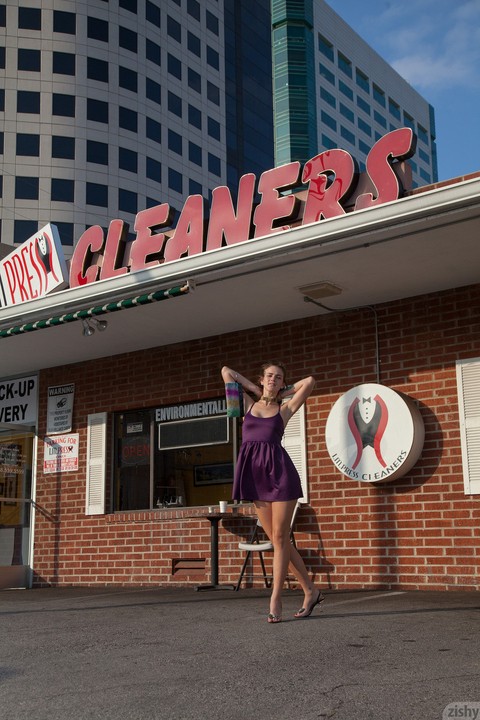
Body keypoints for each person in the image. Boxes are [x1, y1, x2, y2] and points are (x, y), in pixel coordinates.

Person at [221, 362, 324, 623]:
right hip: (255, 477)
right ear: (261, 378)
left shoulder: (284, 409)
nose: (273, 380)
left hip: (280, 475)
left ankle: (275, 597)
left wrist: (282, 391)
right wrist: (254, 388)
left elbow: (309, 380)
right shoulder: (245, 405)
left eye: (278, 378)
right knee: (280, 543)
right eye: (270, 376)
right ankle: (310, 590)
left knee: (280, 537)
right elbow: (226, 372)